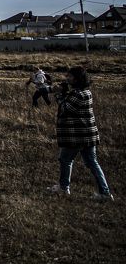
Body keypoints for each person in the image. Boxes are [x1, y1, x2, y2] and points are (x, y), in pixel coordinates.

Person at [49, 67, 113, 200]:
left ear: (77, 79)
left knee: (65, 160)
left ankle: (63, 188)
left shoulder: (77, 94)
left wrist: (59, 95)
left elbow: (65, 109)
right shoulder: (86, 92)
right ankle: (105, 192)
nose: (68, 79)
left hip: (76, 135)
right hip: (88, 135)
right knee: (92, 162)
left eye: (70, 77)